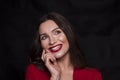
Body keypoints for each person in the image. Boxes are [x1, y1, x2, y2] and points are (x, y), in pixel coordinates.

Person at [25, 12, 102, 80]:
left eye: (57, 32)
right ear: (41, 44)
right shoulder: (34, 72)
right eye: (44, 37)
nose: (52, 41)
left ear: (68, 34)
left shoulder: (92, 76)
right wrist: (55, 77)